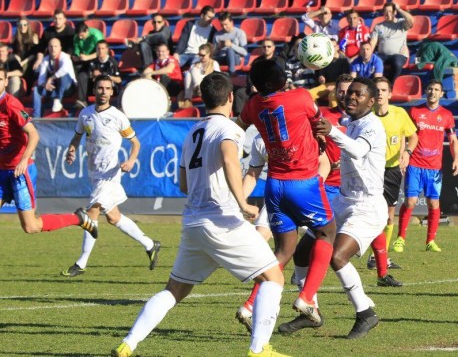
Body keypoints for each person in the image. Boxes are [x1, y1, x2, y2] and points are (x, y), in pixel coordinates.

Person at [111, 72, 287, 357]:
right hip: (223, 221)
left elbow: (183, 183)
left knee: (174, 290)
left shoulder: (192, 132)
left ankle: (128, 344)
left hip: (193, 223)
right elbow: (230, 157)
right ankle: (259, 349)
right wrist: (242, 202)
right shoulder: (229, 129)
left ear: (202, 100)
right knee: (273, 278)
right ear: (231, 98)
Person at [236, 58, 337, 327]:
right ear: (270, 82)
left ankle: (248, 306)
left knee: (283, 251)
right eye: (281, 72)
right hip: (302, 181)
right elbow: (320, 123)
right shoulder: (301, 97)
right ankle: (306, 297)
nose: (286, 73)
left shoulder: (253, 104)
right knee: (327, 232)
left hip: (274, 185)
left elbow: (238, 126)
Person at [313, 77, 390, 338]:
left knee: (336, 256)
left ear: (371, 100)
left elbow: (358, 151)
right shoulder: (351, 123)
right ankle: (308, 310)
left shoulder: (371, 126)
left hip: (366, 206)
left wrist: (333, 132)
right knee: (306, 248)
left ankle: (365, 313)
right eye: (349, 94)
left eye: (358, 94)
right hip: (343, 200)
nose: (351, 97)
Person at [61, 75, 160, 277]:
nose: (104, 91)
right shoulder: (85, 114)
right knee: (114, 218)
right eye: (100, 88)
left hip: (110, 173)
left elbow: (136, 143)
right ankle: (150, 244)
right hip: (94, 172)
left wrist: (131, 160)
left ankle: (81, 263)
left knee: (92, 213)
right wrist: (72, 148)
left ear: (112, 92)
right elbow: (78, 135)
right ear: (94, 90)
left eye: (107, 88)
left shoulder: (118, 116)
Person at [0, 67, 97, 237]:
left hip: (19, 171)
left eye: (0, 79)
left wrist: (23, 160)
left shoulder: (10, 104)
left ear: (6, 82)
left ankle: (78, 218)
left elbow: (34, 134)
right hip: (1, 170)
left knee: (31, 226)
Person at [393, 80, 458, 253]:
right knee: (410, 201)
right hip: (415, 163)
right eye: (430, 89)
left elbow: (453, 139)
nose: (432, 92)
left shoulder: (446, 115)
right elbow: (405, 135)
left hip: (434, 167)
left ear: (442, 94)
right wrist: (404, 154)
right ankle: (400, 238)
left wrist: (456, 159)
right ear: (426, 91)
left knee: (433, 203)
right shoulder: (415, 111)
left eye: (436, 89)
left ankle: (430, 241)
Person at [366, 76, 418, 269]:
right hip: (371, 169)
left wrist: (407, 152)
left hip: (392, 170)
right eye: (376, 90)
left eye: (383, 90)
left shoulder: (399, 113)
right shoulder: (366, 115)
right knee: (370, 214)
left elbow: (413, 136)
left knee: (388, 216)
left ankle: (379, 258)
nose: (380, 93)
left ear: (390, 93)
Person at [370, 2, 414, 84]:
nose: (388, 14)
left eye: (390, 11)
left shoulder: (401, 23)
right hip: (382, 55)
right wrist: (369, 55)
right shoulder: (378, 26)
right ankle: (376, 85)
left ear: (395, 12)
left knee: (397, 64)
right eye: (386, 11)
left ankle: (390, 84)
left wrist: (399, 9)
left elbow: (411, 20)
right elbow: (373, 42)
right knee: (373, 62)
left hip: (398, 55)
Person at [32, 38, 77, 117]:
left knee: (63, 76)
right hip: (55, 88)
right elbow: (41, 79)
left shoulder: (65, 57)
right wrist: (45, 84)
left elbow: (64, 70)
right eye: (51, 46)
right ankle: (36, 116)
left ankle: (58, 100)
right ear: (48, 48)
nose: (53, 49)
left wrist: (50, 78)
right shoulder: (45, 60)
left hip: (69, 88)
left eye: (56, 46)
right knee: (36, 89)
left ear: (60, 48)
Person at [77, 40, 121, 107]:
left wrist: (104, 75)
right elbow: (90, 78)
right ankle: (83, 101)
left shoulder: (112, 62)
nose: (100, 51)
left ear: (107, 50)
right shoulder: (93, 62)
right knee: (82, 75)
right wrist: (93, 75)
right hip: (97, 87)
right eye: (98, 48)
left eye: (103, 48)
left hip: (110, 88)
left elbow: (119, 80)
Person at [308, 38, 350, 105]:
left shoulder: (344, 60)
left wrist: (335, 86)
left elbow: (346, 78)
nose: (332, 49)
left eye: (333, 46)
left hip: (339, 85)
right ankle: (315, 113)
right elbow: (321, 75)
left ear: (337, 47)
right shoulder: (325, 60)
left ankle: (334, 115)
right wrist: (321, 78)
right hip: (326, 85)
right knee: (309, 94)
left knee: (332, 96)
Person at [183, 43, 220, 108]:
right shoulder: (196, 63)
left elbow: (218, 77)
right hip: (196, 90)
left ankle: (188, 98)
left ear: (208, 54)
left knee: (192, 70)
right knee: (190, 72)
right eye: (199, 55)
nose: (200, 57)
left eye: (203, 55)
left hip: (208, 86)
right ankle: (196, 89)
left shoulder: (214, 63)